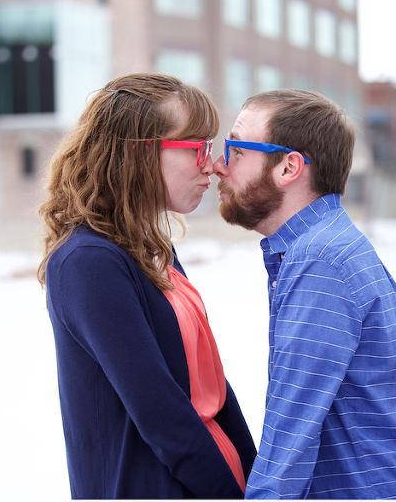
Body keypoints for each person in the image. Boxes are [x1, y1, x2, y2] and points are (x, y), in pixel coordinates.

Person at [213, 89, 396, 499]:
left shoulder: (320, 260)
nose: (219, 165)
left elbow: (291, 437)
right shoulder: (327, 246)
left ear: (288, 167)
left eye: (237, 150)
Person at [37, 73, 257, 499]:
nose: (211, 165)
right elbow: (162, 415)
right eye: (196, 148)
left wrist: (259, 484)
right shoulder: (88, 261)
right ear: (137, 153)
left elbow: (214, 392)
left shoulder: (153, 249)